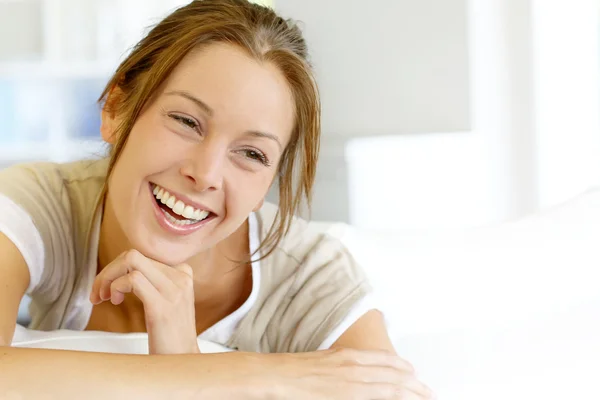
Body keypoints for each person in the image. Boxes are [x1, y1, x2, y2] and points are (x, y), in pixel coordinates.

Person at [0, 0, 432, 398]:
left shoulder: (309, 276)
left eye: (251, 154)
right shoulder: (41, 205)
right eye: (187, 121)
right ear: (115, 109)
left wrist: (182, 355)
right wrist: (247, 374)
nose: (204, 174)